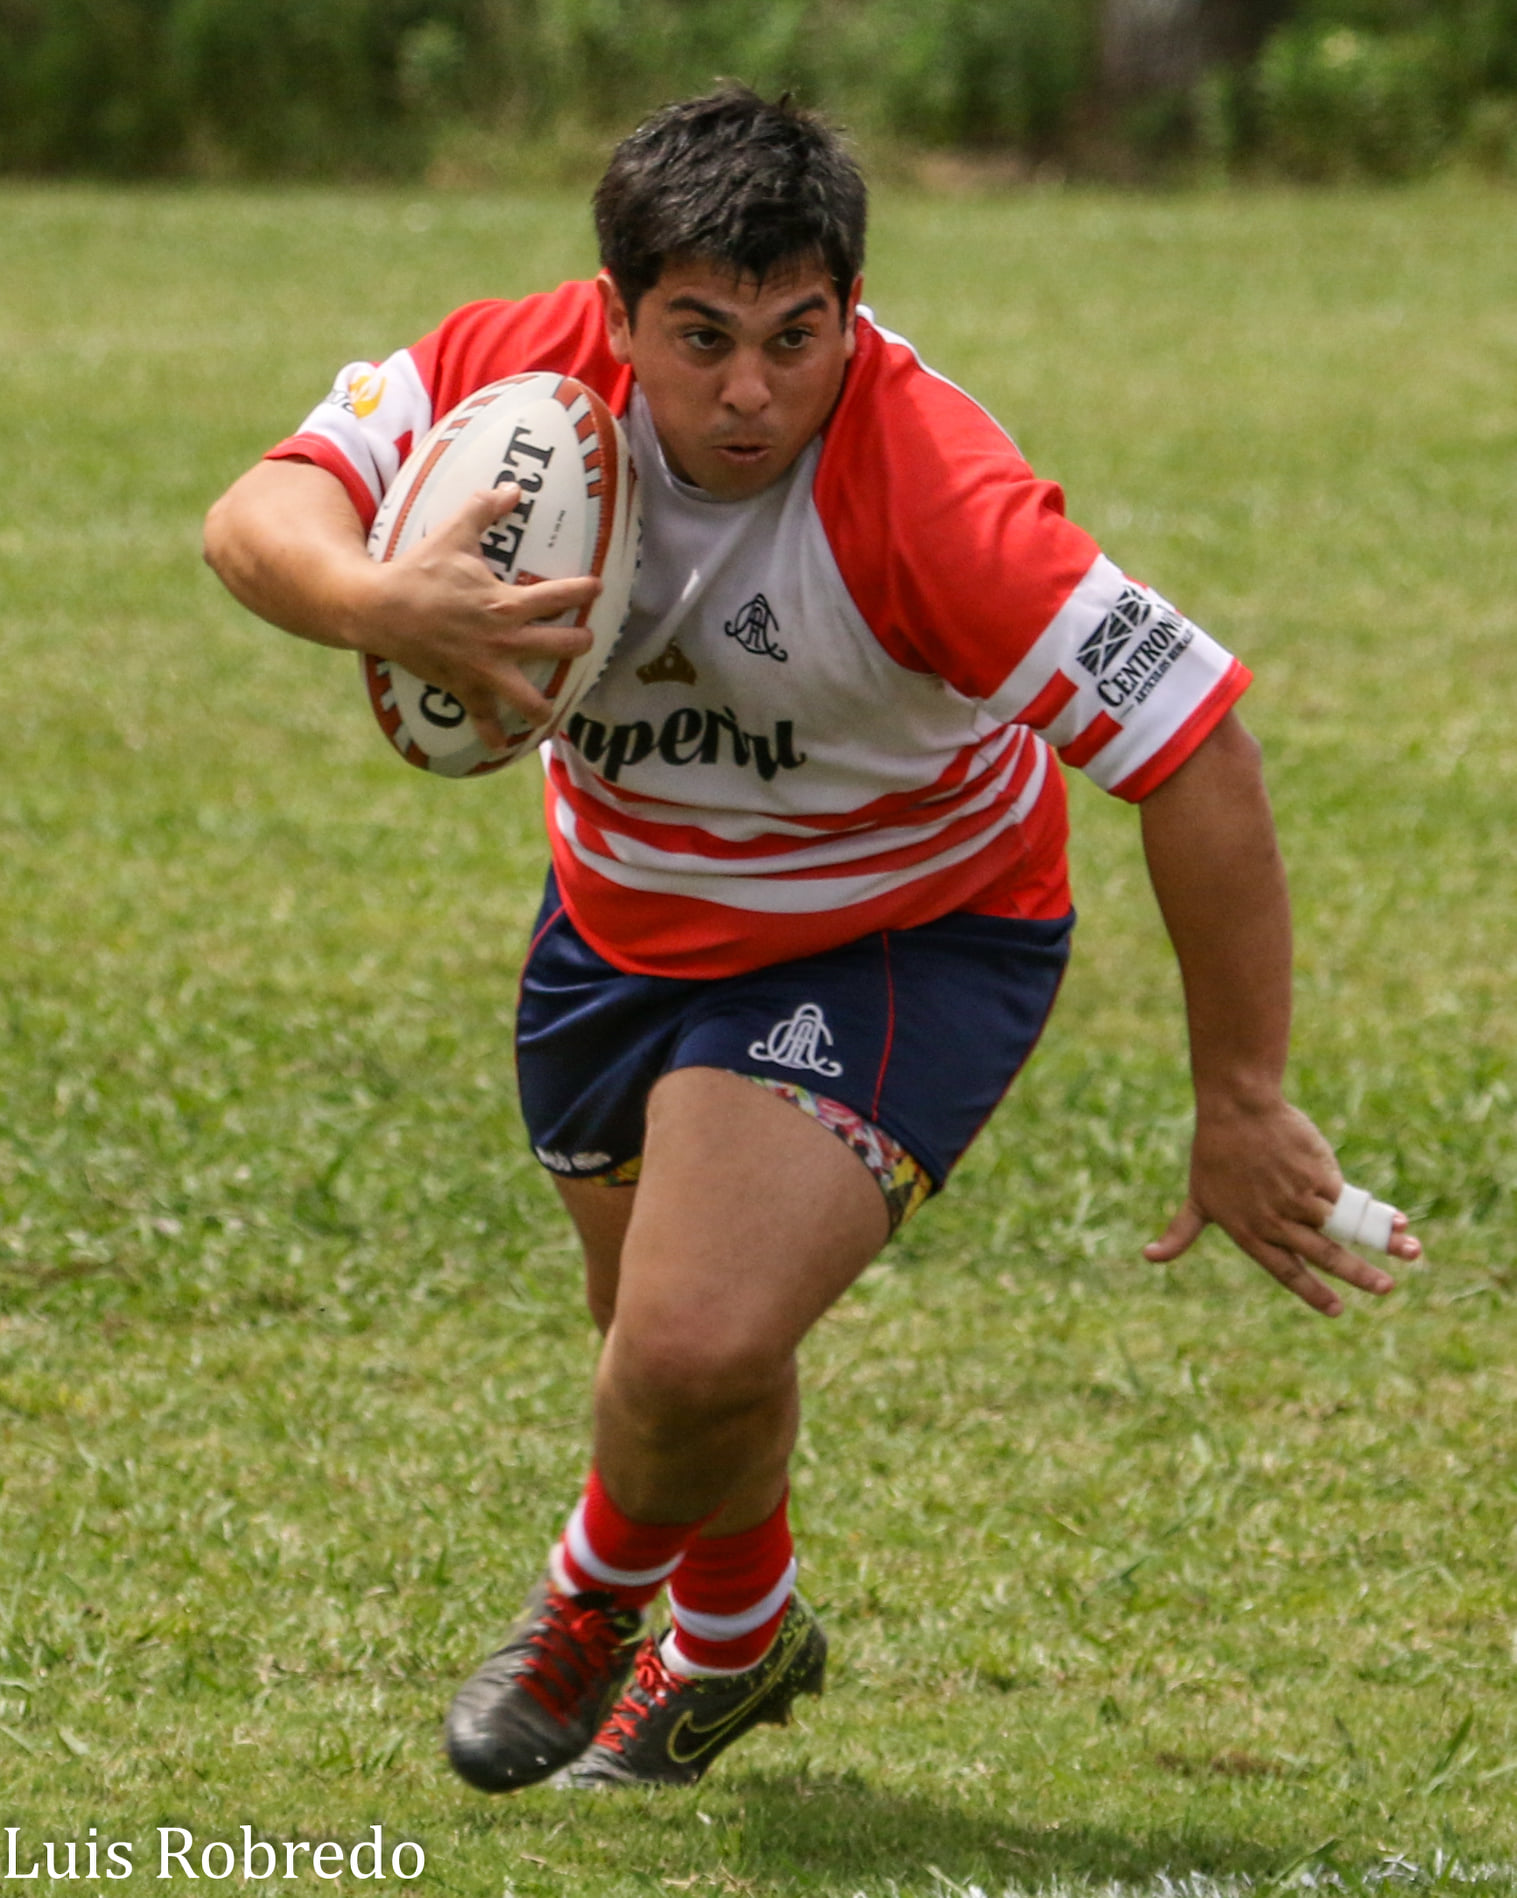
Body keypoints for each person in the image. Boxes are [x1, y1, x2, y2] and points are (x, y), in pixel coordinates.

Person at [202, 86, 1421, 1793]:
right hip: (617, 919)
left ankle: (583, 1610)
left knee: (687, 1341)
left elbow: (1197, 744)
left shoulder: (933, 496)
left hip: (903, 931)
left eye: (796, 335)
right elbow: (255, 515)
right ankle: (739, 1637)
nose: (750, 391)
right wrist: (374, 598)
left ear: (849, 308)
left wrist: (1241, 1094)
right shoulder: (519, 374)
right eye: (700, 337)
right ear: (618, 313)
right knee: (664, 1345)